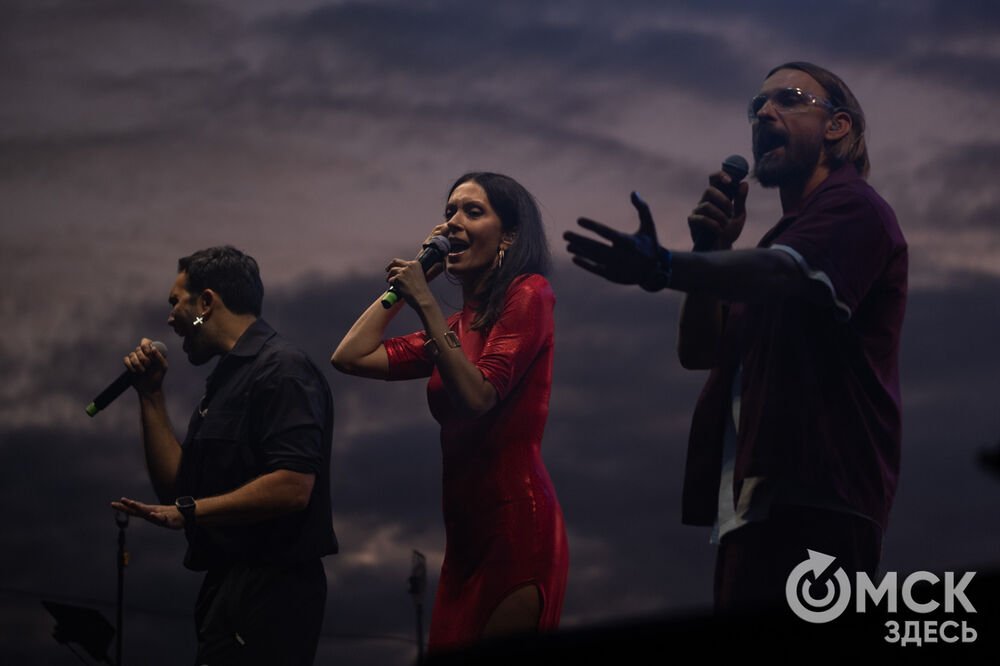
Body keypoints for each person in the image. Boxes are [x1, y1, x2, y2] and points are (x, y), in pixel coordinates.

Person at [565, 62, 907, 612]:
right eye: (757, 106)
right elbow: (700, 351)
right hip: (752, 508)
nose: (764, 113)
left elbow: (783, 274)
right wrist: (707, 251)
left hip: (820, 505)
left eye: (788, 99)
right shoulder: (778, 241)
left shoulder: (854, 208)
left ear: (838, 126)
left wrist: (663, 267)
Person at [332, 172, 568, 651]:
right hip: (462, 548)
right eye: (448, 213)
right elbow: (350, 355)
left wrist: (424, 300)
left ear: (510, 236)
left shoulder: (529, 293)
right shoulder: (454, 328)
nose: (451, 224)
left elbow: (478, 397)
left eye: (472, 212)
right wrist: (408, 288)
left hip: (515, 532)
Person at [111, 246, 337, 665]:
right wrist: (151, 396)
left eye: (176, 301)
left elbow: (293, 486)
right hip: (227, 591)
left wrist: (191, 511)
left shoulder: (282, 369)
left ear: (207, 303)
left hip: (271, 591)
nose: (170, 317)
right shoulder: (224, 383)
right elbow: (177, 491)